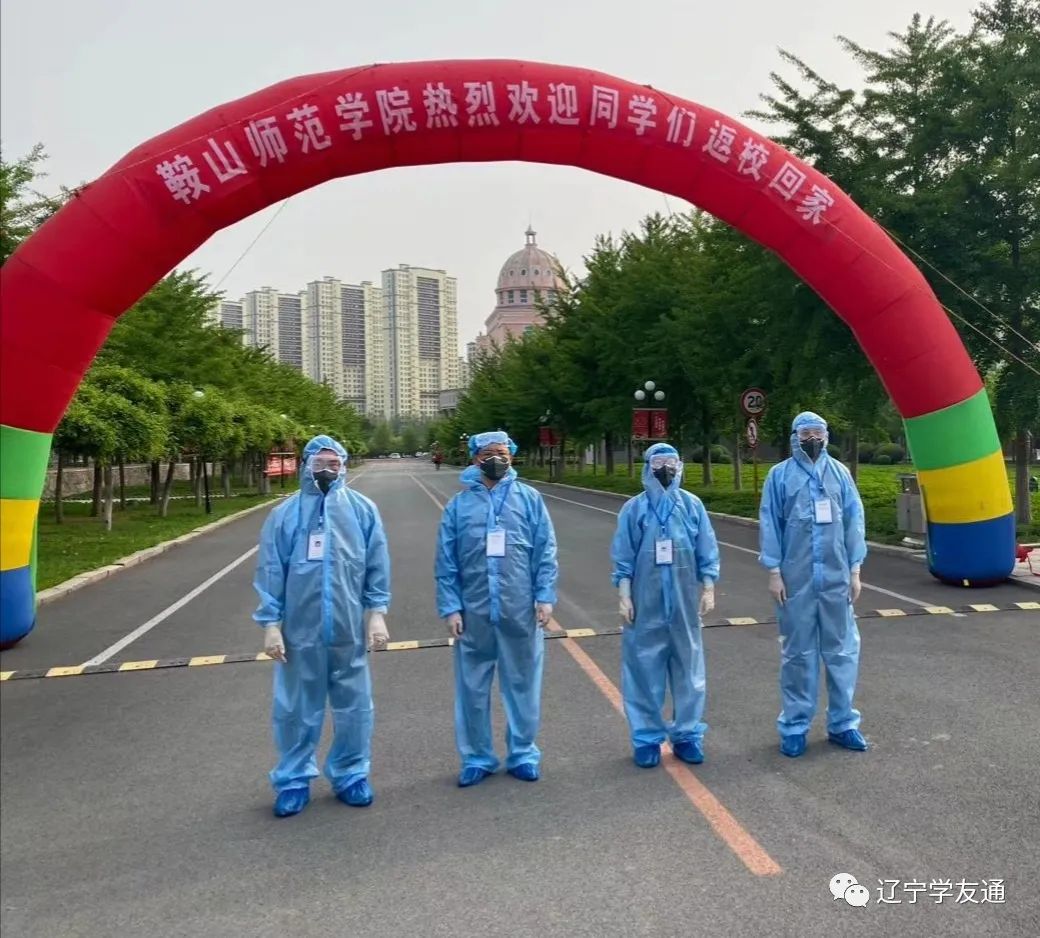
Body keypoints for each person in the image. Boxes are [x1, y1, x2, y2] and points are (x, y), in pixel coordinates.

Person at [253, 434, 391, 817]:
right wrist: (271, 623)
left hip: (347, 629)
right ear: (306, 465)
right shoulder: (285, 515)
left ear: (343, 466)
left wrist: (376, 612)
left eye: (334, 464)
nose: (327, 470)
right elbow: (270, 570)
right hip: (300, 631)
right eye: (320, 464)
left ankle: (351, 774)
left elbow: (376, 564)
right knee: (297, 708)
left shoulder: (363, 511)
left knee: (355, 707)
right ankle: (294, 779)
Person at [435, 430, 558, 787]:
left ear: (512, 456)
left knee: (522, 684)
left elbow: (544, 551)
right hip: (474, 613)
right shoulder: (459, 506)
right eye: (488, 453)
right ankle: (477, 757)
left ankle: (522, 753)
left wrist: (544, 596)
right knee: (472, 689)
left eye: (501, 453)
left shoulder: (530, 499)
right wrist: (451, 607)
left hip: (519, 609)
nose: (496, 460)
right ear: (475, 458)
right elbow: (447, 561)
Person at [759, 412, 868, 758]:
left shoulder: (839, 474)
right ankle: (794, 726)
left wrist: (855, 569)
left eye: (818, 433)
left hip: (836, 578)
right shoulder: (779, 476)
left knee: (842, 651)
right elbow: (769, 523)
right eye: (806, 433)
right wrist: (774, 571)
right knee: (798, 655)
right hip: (796, 579)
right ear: (794, 436)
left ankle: (843, 724)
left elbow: (854, 520)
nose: (813, 438)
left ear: (827, 435)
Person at [611, 442, 721, 768]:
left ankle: (686, 735)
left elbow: (706, 548)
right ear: (647, 467)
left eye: (671, 461)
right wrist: (625, 593)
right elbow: (624, 555)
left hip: (685, 603)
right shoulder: (634, 509)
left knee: (689, 669)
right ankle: (646, 738)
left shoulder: (691, 506)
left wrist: (709, 586)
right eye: (658, 462)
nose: (665, 467)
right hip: (646, 605)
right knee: (644, 670)